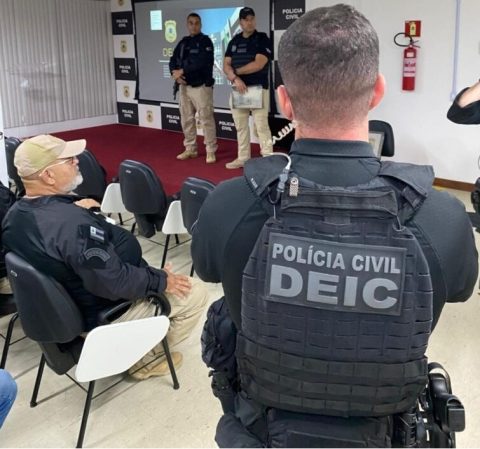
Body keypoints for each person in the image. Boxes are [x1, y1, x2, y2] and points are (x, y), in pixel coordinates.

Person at [192, 4, 478, 447]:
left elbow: (208, 269)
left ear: (284, 101)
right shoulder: (442, 217)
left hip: (261, 431)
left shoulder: (229, 204)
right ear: (378, 91)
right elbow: (459, 289)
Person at [2, 134, 209, 381]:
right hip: (105, 312)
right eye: (68, 160)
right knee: (195, 292)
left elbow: (59, 239)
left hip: (67, 306)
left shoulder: (15, 215)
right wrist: (161, 280)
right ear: (48, 175)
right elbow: (114, 283)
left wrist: (74, 211)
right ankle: (145, 359)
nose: (77, 161)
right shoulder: (71, 226)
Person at [223, 7, 273, 169]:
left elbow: (259, 64)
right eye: (246, 19)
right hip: (238, 89)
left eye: (252, 18)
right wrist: (234, 78)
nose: (249, 22)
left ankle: (268, 158)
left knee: (261, 126)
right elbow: (226, 64)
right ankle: (243, 157)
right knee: (241, 127)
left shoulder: (262, 38)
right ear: (241, 22)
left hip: (257, 88)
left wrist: (235, 73)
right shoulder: (234, 41)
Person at [170, 13, 218, 164]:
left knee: (206, 119)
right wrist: (175, 75)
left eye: (197, 23)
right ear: (187, 25)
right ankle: (190, 148)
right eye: (191, 23)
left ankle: (210, 150)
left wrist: (182, 71)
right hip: (184, 87)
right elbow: (173, 60)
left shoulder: (206, 42)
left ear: (201, 25)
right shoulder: (183, 42)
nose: (194, 26)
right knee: (186, 119)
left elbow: (201, 62)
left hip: (201, 87)